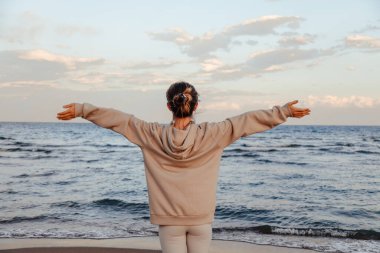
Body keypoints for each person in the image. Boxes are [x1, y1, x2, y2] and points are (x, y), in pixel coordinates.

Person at [56, 81, 311, 253]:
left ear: (169, 106)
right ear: (196, 106)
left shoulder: (150, 133)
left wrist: (83, 110)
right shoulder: (214, 133)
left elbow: (119, 120)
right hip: (201, 221)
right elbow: (245, 122)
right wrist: (283, 112)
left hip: (169, 222)